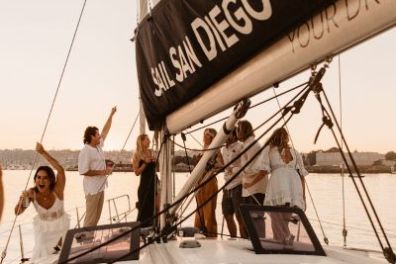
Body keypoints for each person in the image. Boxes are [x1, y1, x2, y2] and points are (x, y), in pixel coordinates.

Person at [15, 143, 69, 262]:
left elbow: (60, 169)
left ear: (50, 180)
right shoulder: (32, 193)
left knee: (61, 257)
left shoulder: (58, 190)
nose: (41, 180)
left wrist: (43, 152)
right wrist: (22, 200)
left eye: (45, 178)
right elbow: (18, 212)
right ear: (35, 180)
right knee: (43, 257)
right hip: (43, 232)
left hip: (61, 229)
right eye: (38, 177)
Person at [262, 127, 308, 244]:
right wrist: (303, 196)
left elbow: (263, 171)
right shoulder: (296, 153)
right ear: (287, 138)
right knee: (284, 217)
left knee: (275, 215)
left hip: (279, 184)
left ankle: (282, 239)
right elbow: (302, 176)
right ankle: (285, 239)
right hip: (294, 186)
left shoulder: (269, 151)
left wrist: (250, 183)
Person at [78, 106, 116, 228]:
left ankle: (90, 240)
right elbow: (83, 171)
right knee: (90, 219)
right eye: (97, 134)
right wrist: (102, 172)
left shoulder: (98, 146)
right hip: (92, 190)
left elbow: (106, 130)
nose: (100, 136)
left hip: (101, 187)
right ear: (91, 137)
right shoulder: (85, 151)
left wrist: (111, 115)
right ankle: (84, 243)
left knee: (96, 219)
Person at [194, 128, 223, 238]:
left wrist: (212, 165)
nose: (205, 136)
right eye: (204, 134)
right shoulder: (203, 149)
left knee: (209, 210)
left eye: (207, 135)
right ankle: (198, 233)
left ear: (212, 137)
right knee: (199, 210)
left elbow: (221, 165)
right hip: (199, 181)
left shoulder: (215, 150)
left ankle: (211, 235)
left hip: (209, 181)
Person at [221, 129, 247, 238]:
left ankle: (245, 240)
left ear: (234, 134)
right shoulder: (223, 149)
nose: (226, 136)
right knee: (227, 214)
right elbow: (225, 166)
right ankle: (233, 239)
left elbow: (247, 165)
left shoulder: (241, 146)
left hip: (239, 184)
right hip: (227, 185)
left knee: (240, 216)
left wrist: (233, 168)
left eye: (229, 133)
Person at [236, 120, 267, 205]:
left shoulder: (251, 145)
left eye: (238, 130)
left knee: (256, 217)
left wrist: (237, 170)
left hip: (255, 190)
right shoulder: (247, 145)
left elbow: (257, 169)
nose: (236, 133)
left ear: (243, 131)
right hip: (249, 190)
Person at [132, 134, 158, 227]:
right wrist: (145, 163)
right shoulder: (137, 155)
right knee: (144, 210)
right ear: (141, 141)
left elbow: (156, 168)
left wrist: (155, 161)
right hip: (144, 185)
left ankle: (154, 227)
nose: (149, 141)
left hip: (154, 183)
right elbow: (136, 172)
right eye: (147, 139)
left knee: (155, 208)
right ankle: (141, 230)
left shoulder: (151, 152)